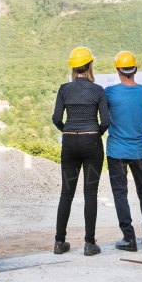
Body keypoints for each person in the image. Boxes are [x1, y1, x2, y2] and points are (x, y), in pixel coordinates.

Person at [51, 46, 110, 256]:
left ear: (73, 68)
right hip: (92, 143)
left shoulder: (64, 89)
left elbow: (57, 118)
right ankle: (89, 244)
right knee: (90, 193)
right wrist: (95, 133)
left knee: (66, 193)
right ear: (90, 65)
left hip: (69, 143)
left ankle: (59, 242)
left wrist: (67, 130)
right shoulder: (98, 90)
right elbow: (107, 120)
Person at [104, 51, 142, 252]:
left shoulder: (109, 93)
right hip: (138, 151)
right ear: (135, 69)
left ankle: (129, 237)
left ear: (118, 70)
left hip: (116, 151)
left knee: (120, 193)